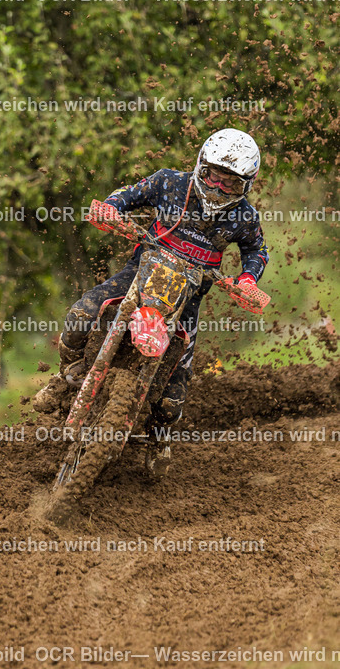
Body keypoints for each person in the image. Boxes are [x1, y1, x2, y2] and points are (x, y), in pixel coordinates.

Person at [34, 128, 269, 477]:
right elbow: (127, 195)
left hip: (188, 295)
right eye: (214, 177)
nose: (219, 188)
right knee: (81, 314)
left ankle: (159, 438)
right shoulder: (170, 183)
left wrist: (247, 280)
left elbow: (257, 252)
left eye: (230, 184)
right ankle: (65, 375)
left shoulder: (244, 217)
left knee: (173, 398)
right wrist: (111, 209)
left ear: (245, 186)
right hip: (140, 272)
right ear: (200, 166)